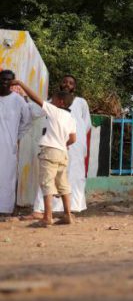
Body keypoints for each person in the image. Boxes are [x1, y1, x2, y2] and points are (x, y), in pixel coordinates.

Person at [12, 79, 76, 227]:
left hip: (50, 152)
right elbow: (73, 139)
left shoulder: (54, 111)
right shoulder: (70, 117)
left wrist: (21, 83)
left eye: (52, 100)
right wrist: (63, 144)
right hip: (62, 152)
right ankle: (68, 215)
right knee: (63, 184)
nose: (50, 101)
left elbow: (36, 99)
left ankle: (47, 217)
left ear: (60, 102)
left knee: (47, 183)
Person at [32, 75, 91, 216]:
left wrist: (76, 140)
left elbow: (86, 124)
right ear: (60, 84)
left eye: (70, 83)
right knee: (49, 175)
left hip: (75, 145)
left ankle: (72, 208)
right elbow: (34, 111)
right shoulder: (52, 102)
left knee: (73, 175)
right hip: (55, 143)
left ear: (74, 87)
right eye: (64, 81)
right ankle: (42, 209)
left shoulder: (81, 102)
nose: (67, 84)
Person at [0, 70, 33, 215]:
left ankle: (5, 209)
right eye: (2, 79)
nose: (4, 82)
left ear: (13, 83)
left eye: (8, 80)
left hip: (8, 146)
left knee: (7, 177)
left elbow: (27, 121)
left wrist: (16, 137)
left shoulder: (18, 100)